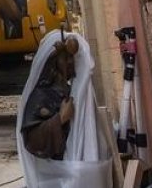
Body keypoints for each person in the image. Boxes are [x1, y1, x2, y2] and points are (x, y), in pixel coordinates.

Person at [16, 31, 110, 188]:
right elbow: (32, 140)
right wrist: (59, 119)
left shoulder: (74, 90)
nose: (71, 63)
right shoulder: (41, 95)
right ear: (54, 61)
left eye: (71, 59)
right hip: (56, 178)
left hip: (76, 172)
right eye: (66, 59)